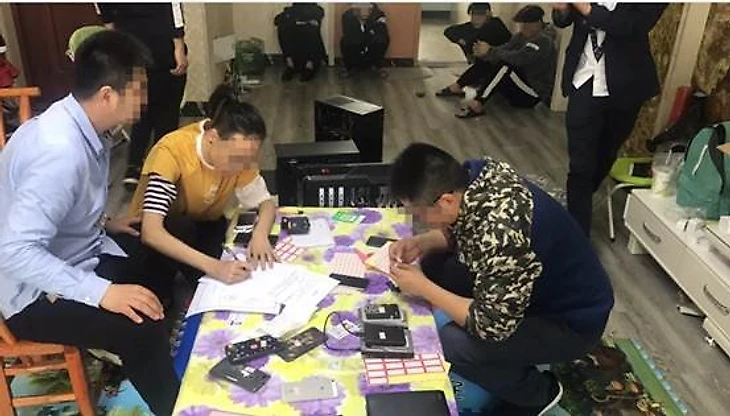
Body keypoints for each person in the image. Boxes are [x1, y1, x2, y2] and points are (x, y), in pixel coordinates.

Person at [0, 30, 179, 415]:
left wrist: (104, 223)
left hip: (78, 251)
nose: (144, 101)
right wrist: (101, 292)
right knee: (142, 328)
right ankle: (174, 403)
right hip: (34, 294)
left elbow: (62, 204)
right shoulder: (59, 152)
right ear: (108, 95)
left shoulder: (78, 123)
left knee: (167, 234)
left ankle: (138, 348)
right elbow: (14, 252)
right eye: (139, 92)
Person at [387, 143, 614, 416]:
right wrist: (422, 242)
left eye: (419, 213)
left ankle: (538, 394)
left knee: (451, 342)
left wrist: (424, 288)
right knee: (433, 262)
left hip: (571, 322)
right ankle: (516, 355)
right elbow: (467, 230)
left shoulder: (503, 235)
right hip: (535, 283)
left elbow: (490, 325)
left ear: (446, 200)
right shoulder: (477, 175)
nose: (419, 219)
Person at [125, 84, 277, 302]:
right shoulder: (172, 151)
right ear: (212, 137)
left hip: (201, 222)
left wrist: (260, 235)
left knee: (223, 278)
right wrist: (214, 266)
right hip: (155, 233)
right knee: (162, 299)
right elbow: (152, 232)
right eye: (236, 159)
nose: (242, 167)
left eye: (248, 160)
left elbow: (266, 202)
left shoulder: (241, 153)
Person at [552, 3, 667, 236]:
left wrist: (587, 9)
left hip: (626, 85)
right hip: (583, 78)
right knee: (580, 164)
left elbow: (633, 26)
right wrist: (562, 10)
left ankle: (578, 200)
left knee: (606, 154)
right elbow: (563, 20)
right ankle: (576, 235)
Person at [96, 3, 189, 190]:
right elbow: (173, 6)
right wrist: (179, 46)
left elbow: (103, 10)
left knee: (141, 106)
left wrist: (115, 43)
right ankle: (160, 168)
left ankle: (136, 165)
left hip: (131, 44)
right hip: (158, 44)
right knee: (165, 109)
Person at [439, 5, 557, 119]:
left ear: (538, 23)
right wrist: (485, 53)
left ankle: (477, 104)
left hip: (531, 94)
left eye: (526, 25)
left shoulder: (544, 41)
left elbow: (519, 58)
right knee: (489, 59)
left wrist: (490, 51)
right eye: (522, 25)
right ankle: (458, 86)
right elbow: (504, 49)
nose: (523, 28)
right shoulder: (520, 36)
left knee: (505, 66)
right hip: (518, 85)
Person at [443, 3, 511, 64]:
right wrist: (460, 40)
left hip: (497, 58)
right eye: (475, 14)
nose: (477, 17)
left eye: (481, 14)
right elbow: (448, 31)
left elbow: (509, 41)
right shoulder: (467, 27)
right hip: (479, 61)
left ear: (487, 14)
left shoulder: (495, 24)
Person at [275, 3, 327, 82]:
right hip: (295, 33)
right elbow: (277, 20)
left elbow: (315, 20)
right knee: (282, 28)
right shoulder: (292, 10)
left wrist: (303, 22)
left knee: (311, 29)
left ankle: (310, 65)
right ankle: (290, 64)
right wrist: (297, 22)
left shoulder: (316, 10)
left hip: (308, 33)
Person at [340, 3, 390, 77]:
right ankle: (349, 67)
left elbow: (381, 34)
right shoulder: (348, 16)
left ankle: (377, 65)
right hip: (355, 52)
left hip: (372, 47)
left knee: (381, 38)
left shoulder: (378, 15)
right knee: (348, 40)